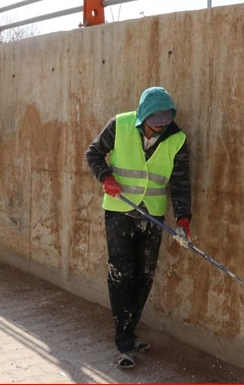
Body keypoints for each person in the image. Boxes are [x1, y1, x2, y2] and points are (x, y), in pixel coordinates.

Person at [85, 86, 192, 369]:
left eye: (163, 123)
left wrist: (184, 219)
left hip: (153, 216)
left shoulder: (177, 139)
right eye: (153, 123)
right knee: (121, 274)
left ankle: (130, 333)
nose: (157, 129)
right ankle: (124, 341)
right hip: (120, 211)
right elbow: (93, 153)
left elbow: (180, 183)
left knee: (144, 276)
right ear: (142, 117)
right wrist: (105, 177)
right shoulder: (119, 124)